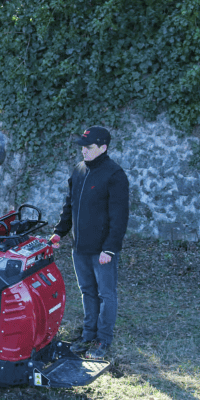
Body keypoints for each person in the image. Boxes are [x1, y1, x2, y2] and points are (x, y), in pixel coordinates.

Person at [50, 126, 129, 360]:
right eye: (82, 147)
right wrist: (58, 233)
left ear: (103, 147)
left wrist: (110, 248)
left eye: (89, 147)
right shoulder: (78, 171)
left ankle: (103, 340)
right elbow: (69, 206)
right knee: (87, 292)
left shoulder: (115, 175)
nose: (84, 151)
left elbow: (119, 216)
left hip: (102, 250)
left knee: (106, 295)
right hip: (80, 248)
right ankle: (87, 335)